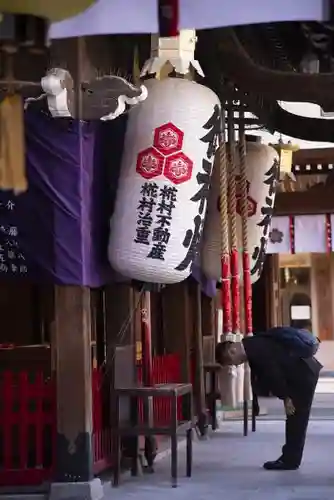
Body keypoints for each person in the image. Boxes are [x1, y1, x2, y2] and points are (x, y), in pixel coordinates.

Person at [215, 320, 322, 471]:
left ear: (231, 351)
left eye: (232, 362)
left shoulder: (255, 350)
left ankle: (290, 460)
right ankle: (289, 457)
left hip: (302, 375)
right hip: (303, 369)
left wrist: (286, 397)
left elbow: (274, 374)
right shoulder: (252, 343)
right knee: (295, 419)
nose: (237, 365)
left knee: (297, 419)